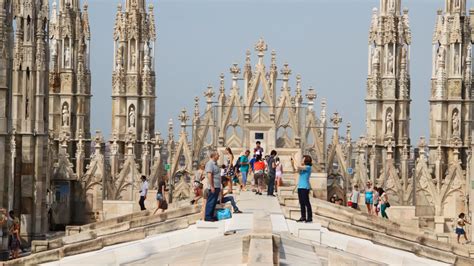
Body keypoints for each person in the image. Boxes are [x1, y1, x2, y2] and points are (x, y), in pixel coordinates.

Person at [291, 155, 313, 223]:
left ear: (306, 160)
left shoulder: (308, 167)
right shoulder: (303, 168)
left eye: (303, 159)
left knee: (306, 202)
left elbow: (298, 166)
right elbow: (296, 169)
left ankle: (309, 218)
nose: (301, 160)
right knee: (301, 203)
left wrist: (294, 158)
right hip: (300, 187)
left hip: (305, 187)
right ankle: (303, 217)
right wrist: (292, 163)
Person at [204, 151, 221, 222]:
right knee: (211, 202)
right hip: (213, 186)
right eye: (217, 154)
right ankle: (207, 217)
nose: (219, 155)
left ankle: (211, 216)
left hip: (217, 186)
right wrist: (212, 186)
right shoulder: (210, 164)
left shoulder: (215, 164)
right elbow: (209, 175)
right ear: (213, 156)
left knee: (214, 202)